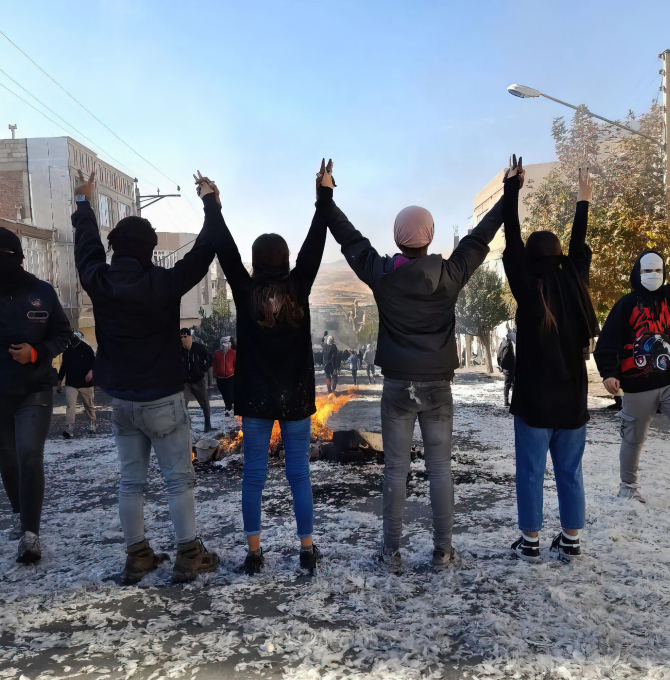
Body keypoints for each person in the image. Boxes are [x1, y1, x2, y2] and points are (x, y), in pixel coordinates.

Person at [320, 162, 505, 569]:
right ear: (431, 236)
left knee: (395, 471)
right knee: (440, 470)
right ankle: (443, 551)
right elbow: (479, 238)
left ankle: (391, 552)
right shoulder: (451, 273)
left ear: (397, 239)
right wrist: (508, 196)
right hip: (438, 385)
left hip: (398, 387)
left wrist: (326, 195)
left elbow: (349, 239)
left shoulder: (382, 275)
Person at [72, 169, 219, 584]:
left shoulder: (98, 280)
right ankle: (189, 553)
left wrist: (85, 200)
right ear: (151, 249)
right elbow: (204, 250)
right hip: (164, 399)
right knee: (178, 481)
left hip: (123, 402)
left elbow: (86, 248)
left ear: (114, 247)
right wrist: (210, 202)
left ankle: (137, 555)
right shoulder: (165, 282)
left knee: (130, 482)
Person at [205, 159, 333, 574]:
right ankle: (306, 549)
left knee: (253, 477)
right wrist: (324, 196)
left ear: (257, 262)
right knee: (299, 474)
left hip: (255, 395)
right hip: (295, 394)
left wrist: (213, 204)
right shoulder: (299, 284)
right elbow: (316, 242)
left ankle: (255, 554)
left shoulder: (245, 290)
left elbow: (224, 248)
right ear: (286, 259)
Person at [502, 159, 598, 563]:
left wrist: (512, 191)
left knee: (530, 471)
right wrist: (582, 203)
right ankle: (571, 540)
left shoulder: (527, 284)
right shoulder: (575, 279)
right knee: (570, 471)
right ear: (560, 256)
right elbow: (579, 246)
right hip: (573, 399)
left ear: (530, 257)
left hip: (534, 400)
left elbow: (511, 237)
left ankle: (530, 542)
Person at [0, 227, 71, 563]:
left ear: (18, 258)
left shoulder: (41, 291)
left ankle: (30, 534)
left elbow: (63, 333)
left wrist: (37, 352)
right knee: (8, 459)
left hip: (35, 387)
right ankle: (20, 513)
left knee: (29, 454)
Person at [594, 249, 670, 503]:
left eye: (658, 270)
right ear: (637, 271)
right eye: (647, 270)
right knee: (633, 438)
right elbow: (607, 342)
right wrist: (608, 373)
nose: (653, 275)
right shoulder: (626, 304)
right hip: (637, 385)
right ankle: (628, 486)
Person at [57, 330, 96, 437]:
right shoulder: (67, 350)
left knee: (89, 406)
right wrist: (59, 383)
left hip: (86, 384)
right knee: (70, 405)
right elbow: (63, 367)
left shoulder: (87, 349)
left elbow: (95, 362)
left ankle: (92, 423)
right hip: (71, 383)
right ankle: (69, 428)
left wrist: (92, 371)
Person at [181, 328, 213, 432]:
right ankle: (185, 426)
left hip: (198, 380)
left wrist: (203, 369)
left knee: (204, 402)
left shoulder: (199, 348)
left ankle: (207, 424)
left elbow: (210, 358)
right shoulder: (179, 350)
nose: (183, 339)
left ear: (190, 336)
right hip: (185, 382)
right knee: (182, 404)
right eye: (181, 337)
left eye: (185, 337)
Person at [213, 335, 236, 416]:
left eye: (225, 343)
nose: (223, 345)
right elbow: (215, 364)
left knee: (229, 393)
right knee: (224, 394)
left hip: (230, 377)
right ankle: (227, 407)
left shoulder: (233, 353)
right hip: (220, 378)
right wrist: (215, 374)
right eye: (222, 343)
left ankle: (229, 407)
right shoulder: (217, 353)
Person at [496, 329, 516, 407]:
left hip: (505, 367)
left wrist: (501, 365)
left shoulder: (503, 343)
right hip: (510, 367)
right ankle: (508, 401)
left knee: (507, 385)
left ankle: (506, 401)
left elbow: (499, 354)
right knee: (511, 385)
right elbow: (506, 356)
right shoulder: (509, 344)